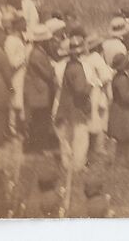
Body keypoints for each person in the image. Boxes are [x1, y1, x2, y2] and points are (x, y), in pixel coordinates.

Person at [53, 34, 93, 172]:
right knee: (80, 136)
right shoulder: (78, 67)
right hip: (76, 107)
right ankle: (77, 165)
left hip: (66, 105)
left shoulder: (68, 65)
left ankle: (67, 164)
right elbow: (80, 90)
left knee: (67, 137)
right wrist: (90, 86)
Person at [23, 24, 57, 154]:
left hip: (39, 90)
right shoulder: (37, 54)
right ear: (42, 41)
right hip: (39, 91)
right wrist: (53, 70)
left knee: (39, 118)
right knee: (40, 119)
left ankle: (37, 145)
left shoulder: (38, 52)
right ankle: (38, 146)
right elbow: (47, 73)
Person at [5, 16, 29, 137]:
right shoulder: (10, 40)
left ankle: (20, 127)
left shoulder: (19, 38)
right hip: (16, 75)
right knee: (14, 101)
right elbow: (11, 62)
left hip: (22, 74)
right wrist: (23, 59)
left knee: (20, 101)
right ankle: (12, 127)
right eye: (23, 24)